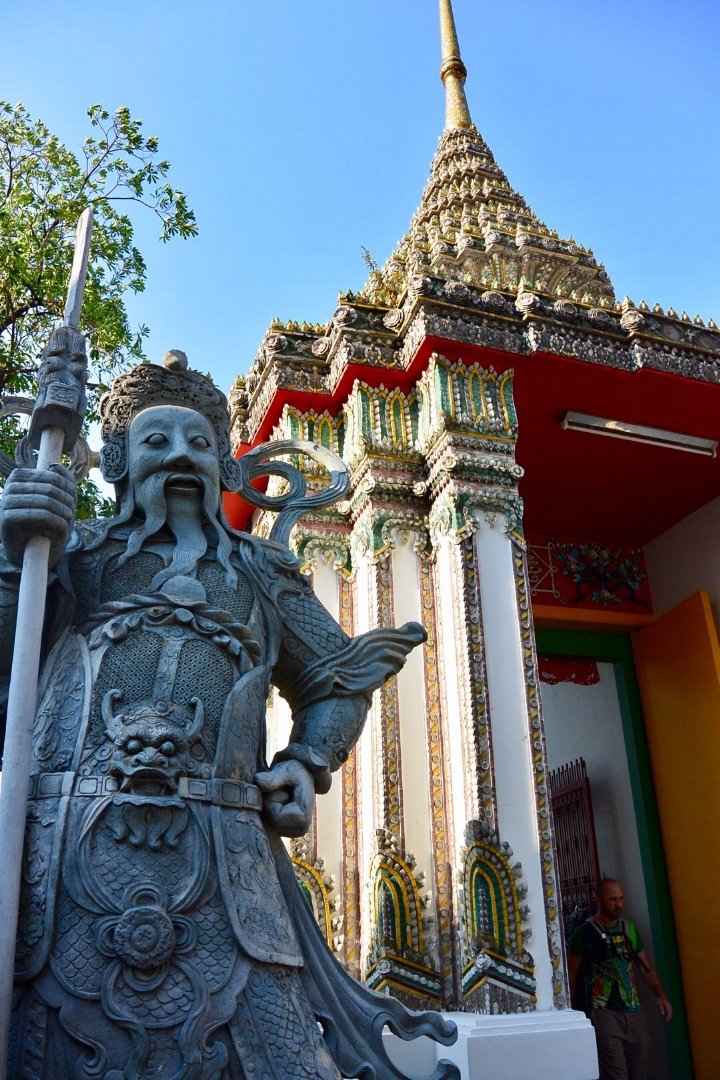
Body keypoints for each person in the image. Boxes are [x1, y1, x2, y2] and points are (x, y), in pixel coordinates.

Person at [0, 347, 458, 1079]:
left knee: (271, 1054)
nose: (180, 457)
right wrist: (13, 553)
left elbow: (336, 679)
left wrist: (308, 761)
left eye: (198, 443)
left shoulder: (260, 574)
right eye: (156, 442)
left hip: (226, 863)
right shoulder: (69, 555)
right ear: (116, 461)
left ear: (224, 466)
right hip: (65, 864)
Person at [568, 878, 672, 1080]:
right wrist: (573, 1010)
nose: (618, 905)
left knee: (640, 1068)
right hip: (603, 1011)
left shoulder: (628, 929)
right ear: (598, 899)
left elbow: (646, 967)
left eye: (621, 899)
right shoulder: (584, 933)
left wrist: (661, 996)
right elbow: (572, 973)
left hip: (632, 1009)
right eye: (612, 900)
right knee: (617, 1072)